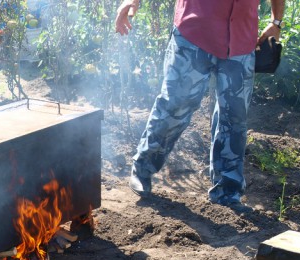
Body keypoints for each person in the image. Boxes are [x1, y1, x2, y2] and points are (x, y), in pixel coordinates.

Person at [115, 0, 285, 213]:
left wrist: (276, 21)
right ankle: (143, 166)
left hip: (241, 39)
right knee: (175, 104)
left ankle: (227, 193)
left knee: (234, 118)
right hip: (194, 33)